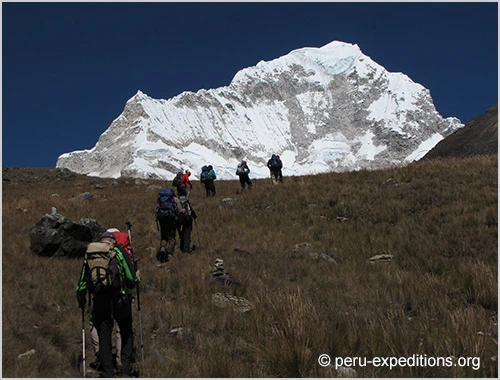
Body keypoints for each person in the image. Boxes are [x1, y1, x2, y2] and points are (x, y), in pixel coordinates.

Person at [76, 231, 140, 378]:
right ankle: (125, 369)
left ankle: (107, 373)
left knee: (104, 335)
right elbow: (131, 279)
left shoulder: (90, 255)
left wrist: (82, 302)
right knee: (125, 332)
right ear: (112, 241)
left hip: (100, 300)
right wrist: (137, 279)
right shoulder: (118, 252)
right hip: (119, 299)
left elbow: (81, 284)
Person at [156, 188, 183, 262]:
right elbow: (180, 210)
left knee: (164, 236)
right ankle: (169, 253)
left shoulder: (161, 200)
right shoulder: (175, 200)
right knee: (172, 237)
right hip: (171, 219)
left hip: (162, 219)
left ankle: (162, 248)